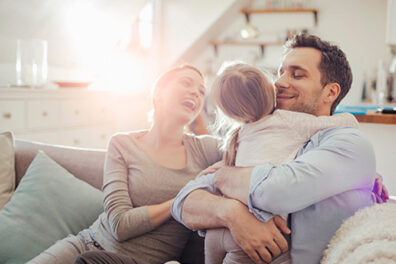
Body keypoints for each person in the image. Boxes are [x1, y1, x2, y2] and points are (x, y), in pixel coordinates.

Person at [171, 34, 388, 264]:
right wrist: (233, 214)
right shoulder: (260, 129)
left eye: (296, 74)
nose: (279, 82)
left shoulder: (348, 143)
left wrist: (223, 176)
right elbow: (183, 202)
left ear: (331, 93)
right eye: (280, 72)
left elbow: (274, 192)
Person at [27, 65, 222, 264]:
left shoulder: (205, 150)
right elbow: (119, 225)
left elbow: (249, 144)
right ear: (159, 94)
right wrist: (180, 201)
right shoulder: (122, 144)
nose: (195, 93)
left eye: (201, 92)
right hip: (85, 245)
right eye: (186, 83)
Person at [201, 62, 359, 264]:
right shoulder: (286, 120)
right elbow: (343, 123)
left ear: (229, 111)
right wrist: (349, 117)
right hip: (257, 230)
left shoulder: (238, 134)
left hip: (216, 233)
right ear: (270, 89)